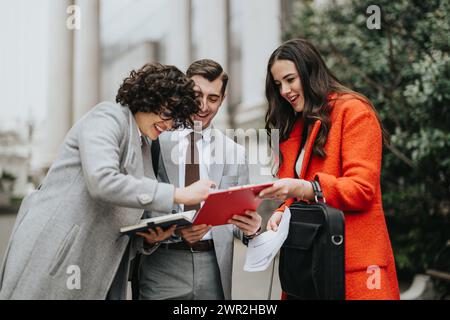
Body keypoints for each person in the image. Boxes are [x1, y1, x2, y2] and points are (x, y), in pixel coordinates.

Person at [0, 63, 214, 300]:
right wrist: (179, 194)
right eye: (166, 113)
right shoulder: (107, 116)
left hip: (97, 266)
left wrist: (150, 239)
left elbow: (130, 211)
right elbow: (102, 180)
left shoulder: (144, 145)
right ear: (147, 98)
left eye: (176, 118)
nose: (169, 124)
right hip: (57, 253)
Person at [259, 39, 400, 300]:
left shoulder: (354, 111)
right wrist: (282, 211)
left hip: (352, 267)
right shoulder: (297, 125)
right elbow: (297, 191)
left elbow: (361, 189)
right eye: (278, 84)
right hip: (307, 267)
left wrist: (308, 188)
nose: (284, 91)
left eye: (290, 79)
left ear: (310, 71)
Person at [136, 59, 262, 300]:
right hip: (163, 265)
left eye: (213, 99)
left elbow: (237, 219)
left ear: (222, 100)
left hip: (213, 269)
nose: (203, 106)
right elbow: (140, 202)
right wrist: (176, 231)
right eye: (196, 95)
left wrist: (251, 229)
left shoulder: (234, 152)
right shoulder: (155, 141)